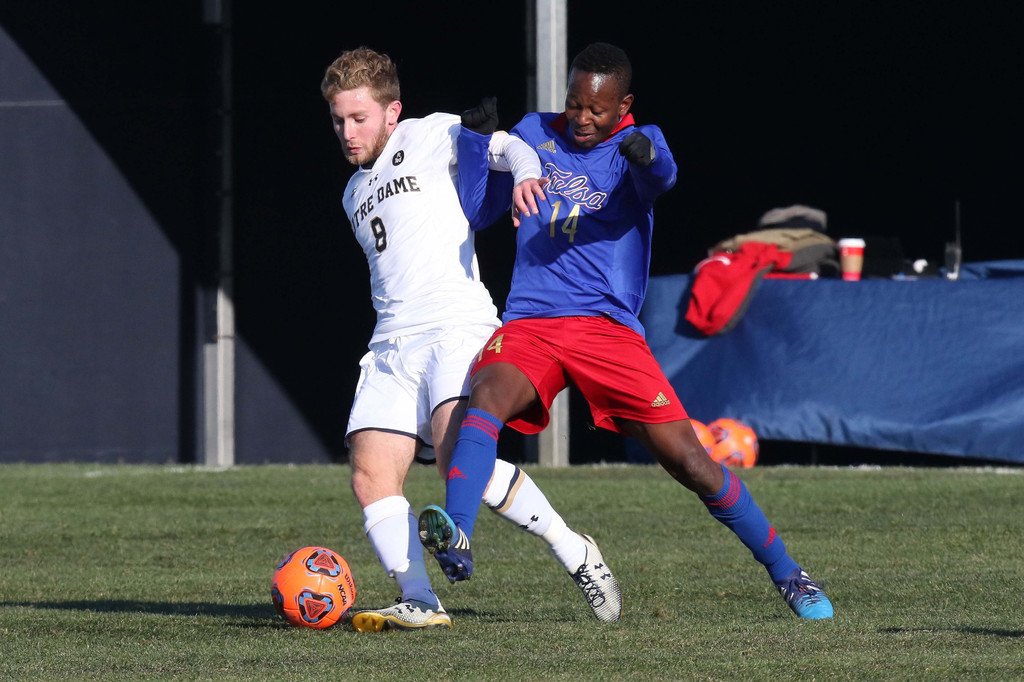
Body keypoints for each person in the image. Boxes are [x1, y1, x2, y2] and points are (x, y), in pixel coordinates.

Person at [418, 42, 833, 620]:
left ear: (624, 106)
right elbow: (478, 210)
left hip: (605, 329)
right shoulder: (533, 132)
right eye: (575, 103)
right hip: (532, 322)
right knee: (484, 399)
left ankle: (789, 573)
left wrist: (645, 158)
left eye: (597, 109)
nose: (582, 118)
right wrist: (475, 139)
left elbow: (663, 176)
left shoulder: (639, 142)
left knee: (692, 462)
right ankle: (458, 532)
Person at [320, 46, 623, 631]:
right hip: (390, 343)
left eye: (358, 118)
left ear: (392, 112)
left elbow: (509, 146)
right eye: (338, 120)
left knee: (456, 458)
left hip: (455, 325)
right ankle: (420, 599)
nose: (347, 132)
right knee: (369, 474)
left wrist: (526, 175)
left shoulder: (431, 133)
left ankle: (574, 549)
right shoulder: (352, 192)